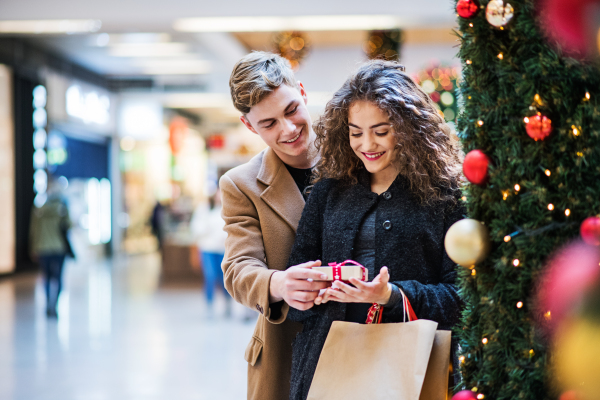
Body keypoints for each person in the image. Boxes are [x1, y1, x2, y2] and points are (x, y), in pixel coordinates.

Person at [284, 60, 465, 400]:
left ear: (410, 127)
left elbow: (461, 297)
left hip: (411, 367)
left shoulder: (445, 196)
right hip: (328, 363)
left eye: (381, 131)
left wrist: (392, 296)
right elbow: (299, 274)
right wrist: (310, 288)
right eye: (355, 132)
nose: (367, 143)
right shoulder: (328, 191)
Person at [220, 51, 330, 400]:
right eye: (268, 124)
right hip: (287, 351)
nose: (289, 129)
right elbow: (238, 268)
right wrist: (279, 283)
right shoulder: (241, 184)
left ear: (302, 91)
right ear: (249, 125)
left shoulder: (357, 155)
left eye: (291, 110)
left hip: (362, 335)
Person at [29, 178, 72, 318]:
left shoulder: (39, 210)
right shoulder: (62, 208)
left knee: (46, 277)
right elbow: (69, 225)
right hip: (58, 247)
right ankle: (54, 305)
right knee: (58, 278)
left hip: (43, 247)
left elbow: (33, 231)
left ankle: (48, 302)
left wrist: (33, 248)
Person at [190, 189, 232, 317]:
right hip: (208, 249)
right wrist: (207, 229)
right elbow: (196, 228)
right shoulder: (204, 209)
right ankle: (210, 306)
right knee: (210, 276)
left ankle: (228, 305)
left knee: (225, 278)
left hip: (223, 249)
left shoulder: (229, 208)